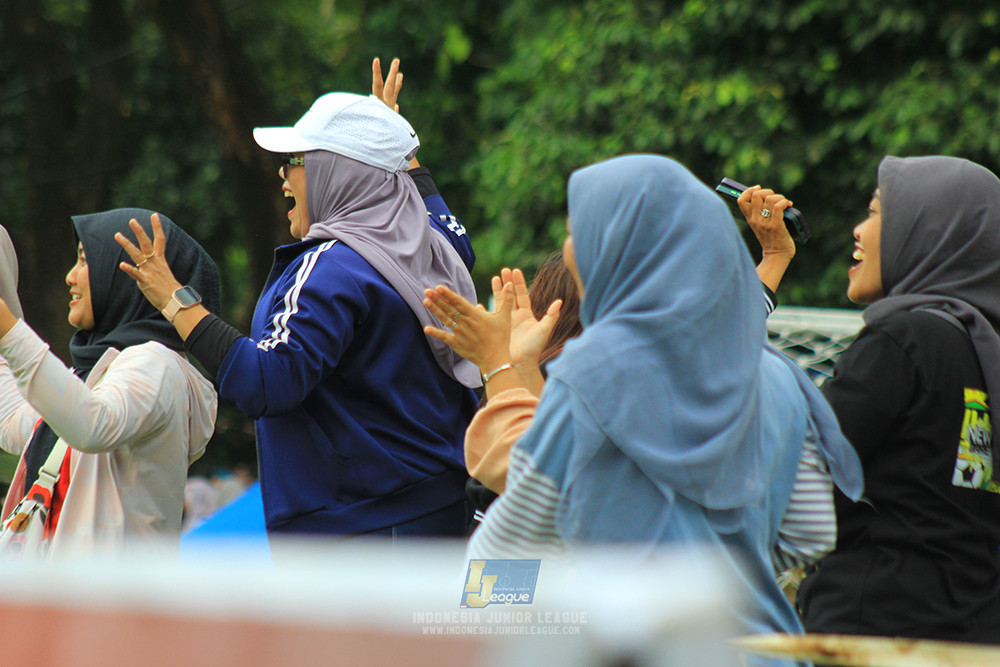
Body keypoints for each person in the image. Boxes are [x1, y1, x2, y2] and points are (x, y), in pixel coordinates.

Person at [453, 155, 863, 660]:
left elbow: (510, 543)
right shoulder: (778, 374)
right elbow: (811, 536)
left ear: (622, 248)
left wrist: (477, 612)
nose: (571, 248)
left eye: (578, 232)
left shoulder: (595, 371)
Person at [116, 68, 479, 539]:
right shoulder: (429, 248)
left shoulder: (330, 270)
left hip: (360, 532)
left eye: (296, 160)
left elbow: (268, 382)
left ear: (338, 173)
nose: (283, 176)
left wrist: (173, 299)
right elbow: (452, 233)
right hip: (440, 512)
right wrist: (394, 148)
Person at [796, 156, 1000, 643]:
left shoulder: (904, 338)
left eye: (876, 211)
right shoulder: (982, 349)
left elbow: (799, 465)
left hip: (873, 631)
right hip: (972, 634)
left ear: (929, 231)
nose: (858, 230)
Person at [0, 209, 220, 557]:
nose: (70, 277)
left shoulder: (155, 363)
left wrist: (9, 328)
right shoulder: (98, 374)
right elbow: (16, 424)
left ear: (128, 276)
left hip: (116, 607)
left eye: (85, 261)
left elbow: (93, 426)